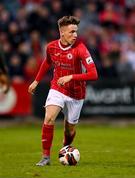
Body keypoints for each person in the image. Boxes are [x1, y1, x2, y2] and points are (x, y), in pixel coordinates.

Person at [28, 16, 98, 166]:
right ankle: (45, 157)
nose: (75, 35)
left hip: (77, 93)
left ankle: (65, 148)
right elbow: (47, 63)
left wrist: (71, 77)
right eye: (72, 32)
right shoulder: (51, 47)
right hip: (58, 87)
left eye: (76, 32)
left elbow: (94, 74)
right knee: (49, 118)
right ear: (62, 32)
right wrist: (36, 81)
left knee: (69, 131)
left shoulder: (81, 48)